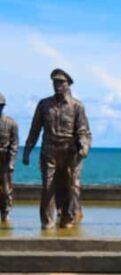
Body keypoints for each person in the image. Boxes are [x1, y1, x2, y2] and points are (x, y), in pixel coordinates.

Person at [23, 68, 92, 230]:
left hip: (69, 152)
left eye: (61, 82)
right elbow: (35, 130)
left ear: (68, 84)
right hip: (49, 152)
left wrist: (84, 146)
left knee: (71, 187)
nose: (57, 85)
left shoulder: (77, 106)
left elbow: (83, 130)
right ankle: (47, 222)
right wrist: (27, 151)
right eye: (55, 82)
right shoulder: (44, 104)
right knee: (48, 187)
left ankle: (67, 218)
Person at [0, 93, 18, 224]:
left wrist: (11, 163)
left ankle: (5, 214)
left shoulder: (11, 123)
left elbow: (15, 145)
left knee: (6, 191)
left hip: (4, 161)